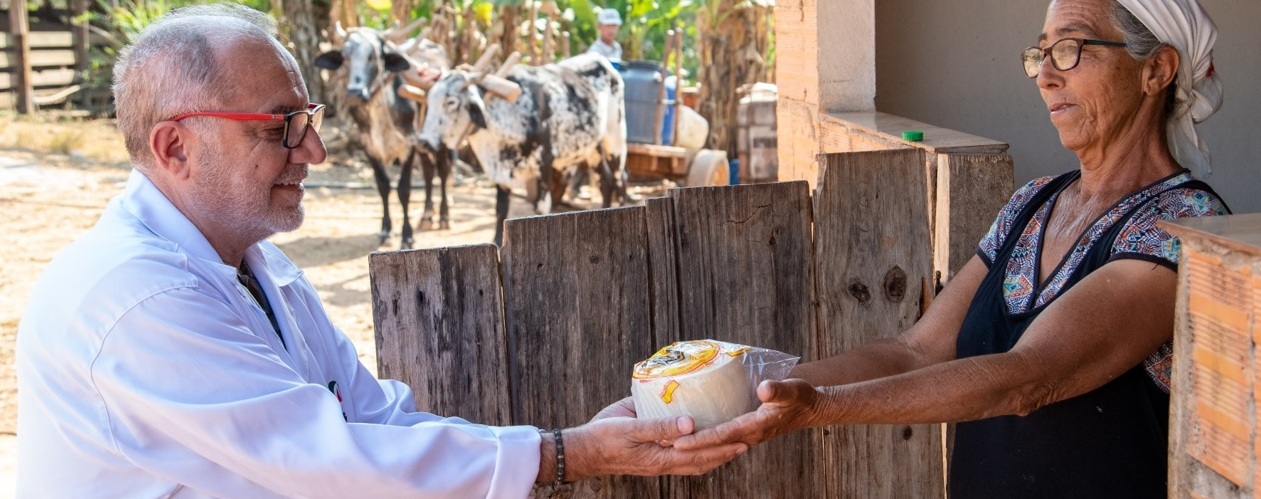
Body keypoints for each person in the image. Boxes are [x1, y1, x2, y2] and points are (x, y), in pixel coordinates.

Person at [14, 4, 747, 497]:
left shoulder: (263, 273)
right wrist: (565, 453)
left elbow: (372, 419)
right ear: (175, 145)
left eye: (309, 119)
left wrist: (561, 445)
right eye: (279, 127)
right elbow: (329, 461)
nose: (316, 148)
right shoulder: (134, 296)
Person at [675, 0, 1229, 497]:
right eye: (1041, 55)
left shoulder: (1185, 227)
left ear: (1156, 69)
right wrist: (758, 396)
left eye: (1071, 48)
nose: (1047, 77)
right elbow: (915, 349)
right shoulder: (1033, 203)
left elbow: (1031, 376)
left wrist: (819, 407)